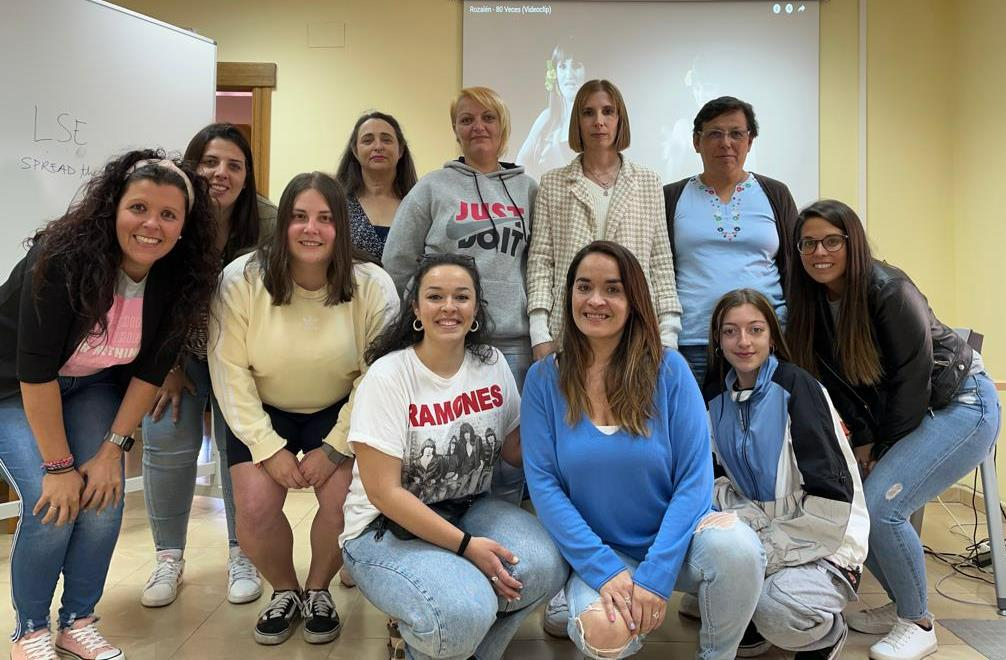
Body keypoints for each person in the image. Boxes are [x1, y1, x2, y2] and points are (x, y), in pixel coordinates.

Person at [0, 150, 219, 660]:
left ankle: (77, 621)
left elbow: (150, 371)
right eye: (138, 208)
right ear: (112, 209)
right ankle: (30, 630)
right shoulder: (61, 259)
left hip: (92, 384)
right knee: (52, 503)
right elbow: (35, 371)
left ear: (184, 226)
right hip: (14, 386)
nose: (151, 225)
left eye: (168, 215)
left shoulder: (179, 277)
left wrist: (112, 450)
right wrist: (59, 467)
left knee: (104, 497)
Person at [522, 241, 764, 659]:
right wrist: (604, 569)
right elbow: (544, 488)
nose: (595, 300)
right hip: (604, 549)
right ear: (570, 294)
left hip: (680, 541)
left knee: (738, 549)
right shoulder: (543, 379)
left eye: (612, 289)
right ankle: (585, 599)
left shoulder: (670, 371)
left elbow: (694, 480)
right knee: (602, 633)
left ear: (634, 299)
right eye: (584, 287)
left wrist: (656, 575)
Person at [787, 200, 1001, 660]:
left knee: (882, 506)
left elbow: (912, 381)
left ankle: (919, 623)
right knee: (852, 506)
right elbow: (844, 385)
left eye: (831, 241)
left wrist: (880, 448)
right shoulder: (813, 302)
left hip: (960, 404)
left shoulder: (889, 289)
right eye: (808, 243)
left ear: (853, 243)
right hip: (907, 413)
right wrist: (863, 440)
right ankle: (902, 603)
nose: (819, 252)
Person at [340, 253, 566, 660]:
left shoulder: (491, 363)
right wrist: (466, 547)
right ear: (416, 308)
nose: (449, 307)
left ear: (476, 308)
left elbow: (514, 451)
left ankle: (456, 646)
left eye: (461, 297)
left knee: (545, 566)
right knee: (463, 609)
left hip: (468, 507)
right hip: (383, 528)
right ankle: (440, 627)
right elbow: (384, 493)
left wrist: (557, 400)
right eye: (435, 296)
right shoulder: (388, 376)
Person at [208, 171, 397, 646]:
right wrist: (267, 448)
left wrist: (334, 447)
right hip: (262, 406)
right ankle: (284, 591)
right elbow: (228, 371)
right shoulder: (241, 278)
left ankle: (317, 590)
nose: (311, 229)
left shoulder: (373, 284)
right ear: (282, 224)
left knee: (341, 501)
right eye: (298, 216)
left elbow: (378, 376)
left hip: (340, 406)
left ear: (341, 228)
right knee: (254, 508)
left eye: (325, 218)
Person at [140, 122, 277, 609]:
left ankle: (243, 552)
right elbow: (148, 297)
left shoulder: (267, 221)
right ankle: (168, 557)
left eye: (234, 165)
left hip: (241, 360)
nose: (221, 173)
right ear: (191, 166)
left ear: (247, 175)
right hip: (177, 355)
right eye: (210, 162)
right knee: (165, 441)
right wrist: (166, 368)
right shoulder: (169, 212)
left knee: (241, 450)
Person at [383, 86, 536, 504]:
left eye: (488, 118)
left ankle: (503, 529)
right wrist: (424, 315)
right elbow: (397, 260)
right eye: (466, 119)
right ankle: (450, 529)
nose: (477, 127)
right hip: (450, 342)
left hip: (513, 343)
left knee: (510, 457)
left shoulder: (528, 190)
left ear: (503, 126)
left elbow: (541, 263)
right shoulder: (433, 188)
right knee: (454, 448)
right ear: (455, 130)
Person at [703, 288, 869, 659]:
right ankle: (755, 615)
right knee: (711, 568)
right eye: (730, 331)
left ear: (772, 337)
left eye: (755, 329)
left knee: (775, 607)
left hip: (824, 539)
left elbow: (831, 499)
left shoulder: (798, 389)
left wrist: (757, 556)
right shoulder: (714, 396)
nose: (743, 341)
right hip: (763, 532)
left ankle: (826, 632)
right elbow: (715, 479)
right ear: (717, 340)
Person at [527, 79, 681, 367]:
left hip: (634, 326)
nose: (599, 121)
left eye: (608, 111)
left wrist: (668, 333)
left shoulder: (647, 182)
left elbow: (660, 261)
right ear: (577, 121)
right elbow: (541, 262)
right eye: (588, 113)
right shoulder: (554, 183)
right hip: (569, 327)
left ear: (620, 119)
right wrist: (539, 332)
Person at [663, 96, 798, 386]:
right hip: (692, 346)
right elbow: (658, 272)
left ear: (750, 141)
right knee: (697, 418)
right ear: (696, 141)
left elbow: (794, 269)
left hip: (764, 344)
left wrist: (785, 327)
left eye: (736, 134)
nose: (726, 143)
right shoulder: (669, 197)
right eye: (715, 133)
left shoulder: (775, 194)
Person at [335, 111, 419, 260]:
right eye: (368, 141)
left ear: (400, 150)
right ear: (355, 151)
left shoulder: (418, 205)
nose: (378, 146)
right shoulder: (337, 203)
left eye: (386, 140)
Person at [515, 38, 587, 181]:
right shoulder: (547, 117)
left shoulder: (596, 122)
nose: (569, 74)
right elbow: (520, 164)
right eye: (563, 66)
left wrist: (557, 160)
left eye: (576, 66)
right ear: (555, 74)